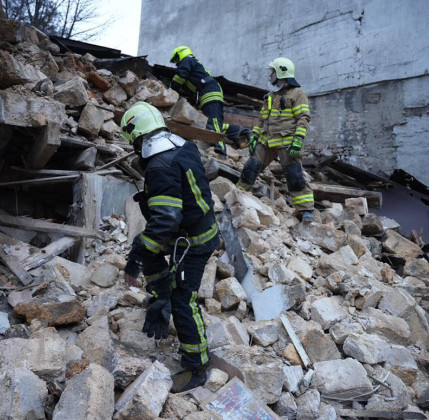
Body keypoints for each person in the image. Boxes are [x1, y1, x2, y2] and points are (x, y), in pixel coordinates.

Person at [120, 101, 220, 393]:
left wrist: (137, 256)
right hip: (194, 229)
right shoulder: (183, 145)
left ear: (137, 136)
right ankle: (161, 294)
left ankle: (197, 366)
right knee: (146, 252)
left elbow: (166, 219)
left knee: (183, 299)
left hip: (193, 242)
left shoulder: (159, 165)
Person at [237, 57, 315, 222]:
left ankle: (306, 210)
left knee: (294, 175)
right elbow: (262, 119)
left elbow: (303, 118)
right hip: (266, 141)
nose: (270, 75)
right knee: (251, 166)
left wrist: (298, 140)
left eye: (272, 71)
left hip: (287, 141)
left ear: (282, 72)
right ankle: (239, 196)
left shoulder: (298, 94)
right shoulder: (270, 96)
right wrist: (254, 136)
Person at [169, 46, 251, 157]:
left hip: (209, 92)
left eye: (176, 61)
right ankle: (240, 132)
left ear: (180, 55)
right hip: (209, 92)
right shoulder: (194, 69)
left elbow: (180, 76)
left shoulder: (187, 60)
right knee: (212, 123)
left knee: (213, 123)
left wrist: (171, 91)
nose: (177, 65)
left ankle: (220, 150)